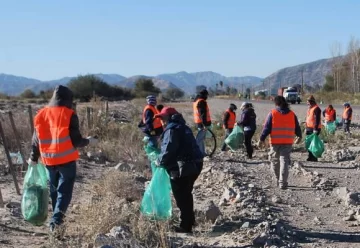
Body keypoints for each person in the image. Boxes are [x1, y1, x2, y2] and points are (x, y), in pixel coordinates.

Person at [27, 85, 98, 233]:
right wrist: (89, 141)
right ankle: (56, 222)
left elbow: (36, 140)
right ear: (68, 100)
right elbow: (76, 141)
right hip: (66, 160)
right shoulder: (69, 114)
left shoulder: (41, 114)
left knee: (54, 191)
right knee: (64, 192)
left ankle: (56, 217)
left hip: (48, 161)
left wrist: (33, 158)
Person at [155, 107, 203, 233]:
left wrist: (158, 161)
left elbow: (168, 150)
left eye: (163, 118)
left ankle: (186, 226)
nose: (162, 121)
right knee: (186, 194)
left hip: (183, 167)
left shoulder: (172, 129)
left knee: (181, 196)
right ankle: (190, 220)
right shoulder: (184, 127)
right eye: (161, 119)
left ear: (170, 117)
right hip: (195, 165)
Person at [259, 96, 302, 189]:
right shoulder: (292, 114)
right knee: (284, 162)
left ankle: (278, 180)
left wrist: (261, 139)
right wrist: (299, 136)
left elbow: (266, 128)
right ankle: (282, 182)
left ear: (276, 103)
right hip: (287, 142)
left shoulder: (272, 113)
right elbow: (297, 127)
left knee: (275, 162)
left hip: (275, 142)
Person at [193, 89, 212, 156]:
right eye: (206, 95)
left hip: (198, 122)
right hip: (202, 123)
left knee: (201, 139)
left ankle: (202, 152)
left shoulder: (196, 101)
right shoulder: (201, 102)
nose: (207, 96)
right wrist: (204, 124)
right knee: (199, 139)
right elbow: (202, 114)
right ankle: (199, 153)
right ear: (204, 95)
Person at [305, 95, 322, 162]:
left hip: (314, 129)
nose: (307, 103)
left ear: (311, 102)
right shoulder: (310, 108)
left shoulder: (316, 109)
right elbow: (308, 119)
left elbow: (316, 120)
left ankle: (314, 158)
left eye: (308, 102)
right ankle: (310, 157)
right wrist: (306, 127)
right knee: (309, 143)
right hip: (309, 128)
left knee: (313, 144)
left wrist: (315, 129)